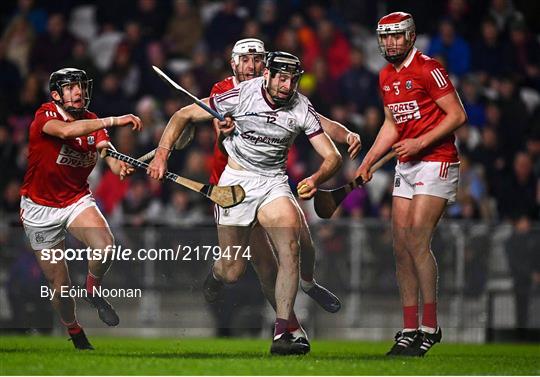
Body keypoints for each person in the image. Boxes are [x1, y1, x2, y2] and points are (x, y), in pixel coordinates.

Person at [148, 51, 342, 355]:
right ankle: (216, 274)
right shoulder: (240, 95)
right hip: (236, 183)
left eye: (292, 78)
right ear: (266, 75)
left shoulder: (300, 106)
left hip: (273, 182)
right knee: (233, 270)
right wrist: (162, 154)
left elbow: (333, 156)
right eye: (280, 76)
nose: (285, 84)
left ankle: (282, 332)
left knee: (290, 245)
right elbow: (182, 115)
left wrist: (316, 179)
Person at [201, 38, 362, 348]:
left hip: (271, 181)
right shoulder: (227, 91)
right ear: (234, 63)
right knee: (258, 265)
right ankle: (286, 324)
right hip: (234, 186)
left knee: (301, 240)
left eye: (258, 59)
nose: (252, 65)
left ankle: (305, 288)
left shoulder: (283, 92)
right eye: (245, 60)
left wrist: (346, 134)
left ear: (266, 66)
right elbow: (218, 135)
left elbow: (316, 119)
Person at [355, 12, 467, 356]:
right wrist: (369, 160)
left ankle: (430, 326)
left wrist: (419, 143)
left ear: (411, 36)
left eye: (396, 36)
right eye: (385, 37)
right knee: (400, 245)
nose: (390, 43)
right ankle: (408, 328)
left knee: (418, 237)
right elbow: (391, 124)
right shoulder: (386, 75)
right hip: (406, 164)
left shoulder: (428, 68)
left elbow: (457, 115)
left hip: (437, 160)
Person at [19, 68, 142, 350]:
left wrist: (116, 165)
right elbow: (66, 131)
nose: (78, 92)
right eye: (71, 87)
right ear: (56, 95)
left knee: (105, 246)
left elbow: (105, 151)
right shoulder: (45, 116)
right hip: (40, 209)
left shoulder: (92, 121)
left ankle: (92, 288)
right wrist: (116, 119)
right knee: (60, 290)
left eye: (81, 87)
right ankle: (75, 331)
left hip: (76, 199)